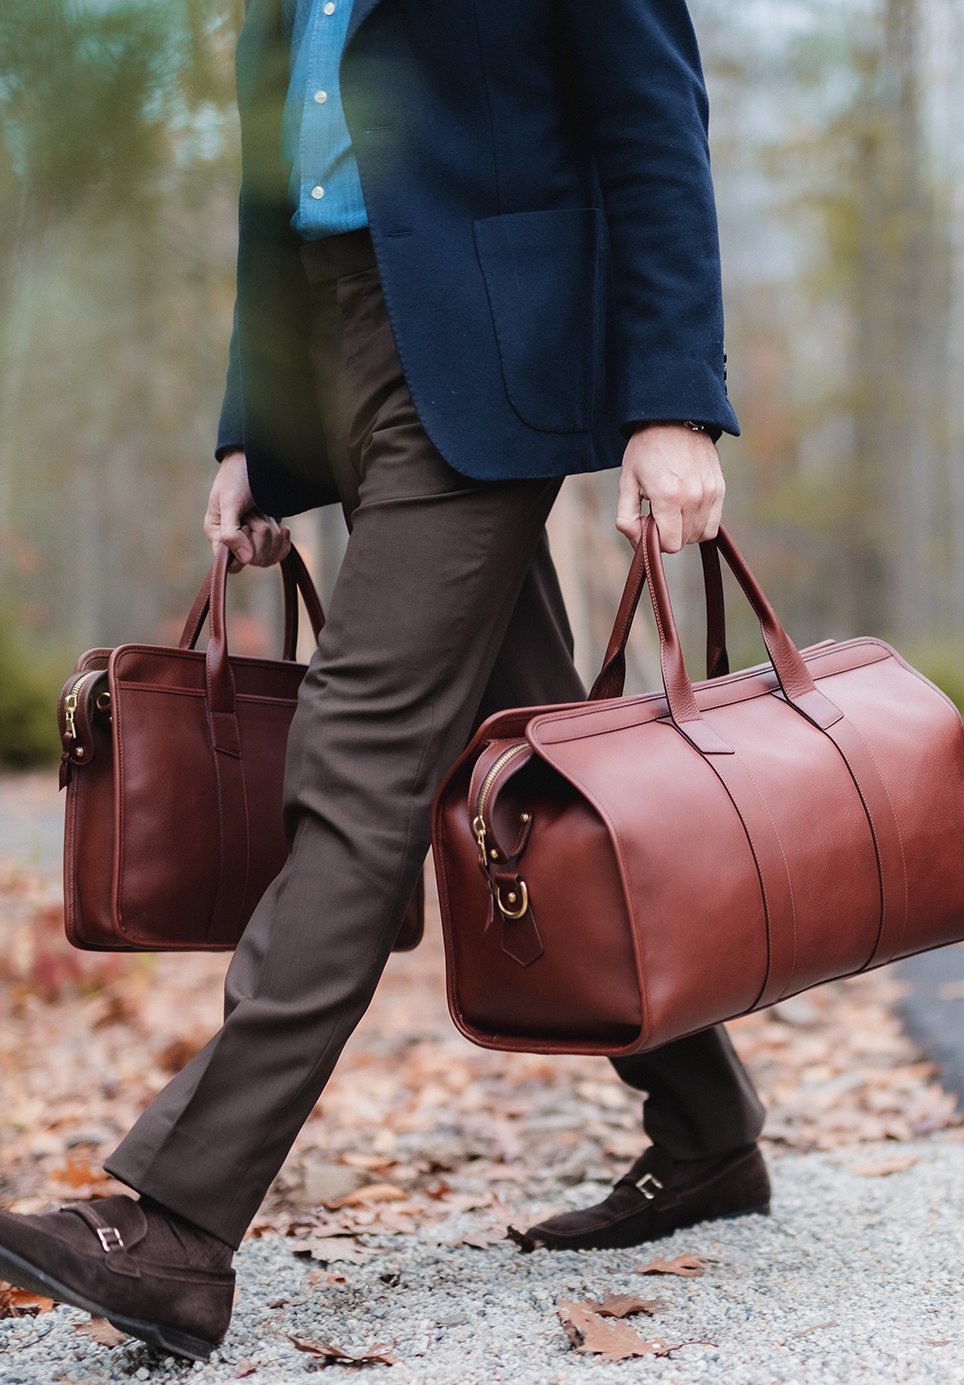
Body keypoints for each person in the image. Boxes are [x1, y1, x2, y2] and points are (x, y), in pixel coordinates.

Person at [0, 0, 769, 1362]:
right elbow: (269, 200)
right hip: (343, 354)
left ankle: (179, 1219)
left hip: (489, 357)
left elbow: (653, 133)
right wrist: (256, 434)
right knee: (532, 766)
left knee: (353, 762)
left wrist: (672, 398)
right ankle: (705, 1125)